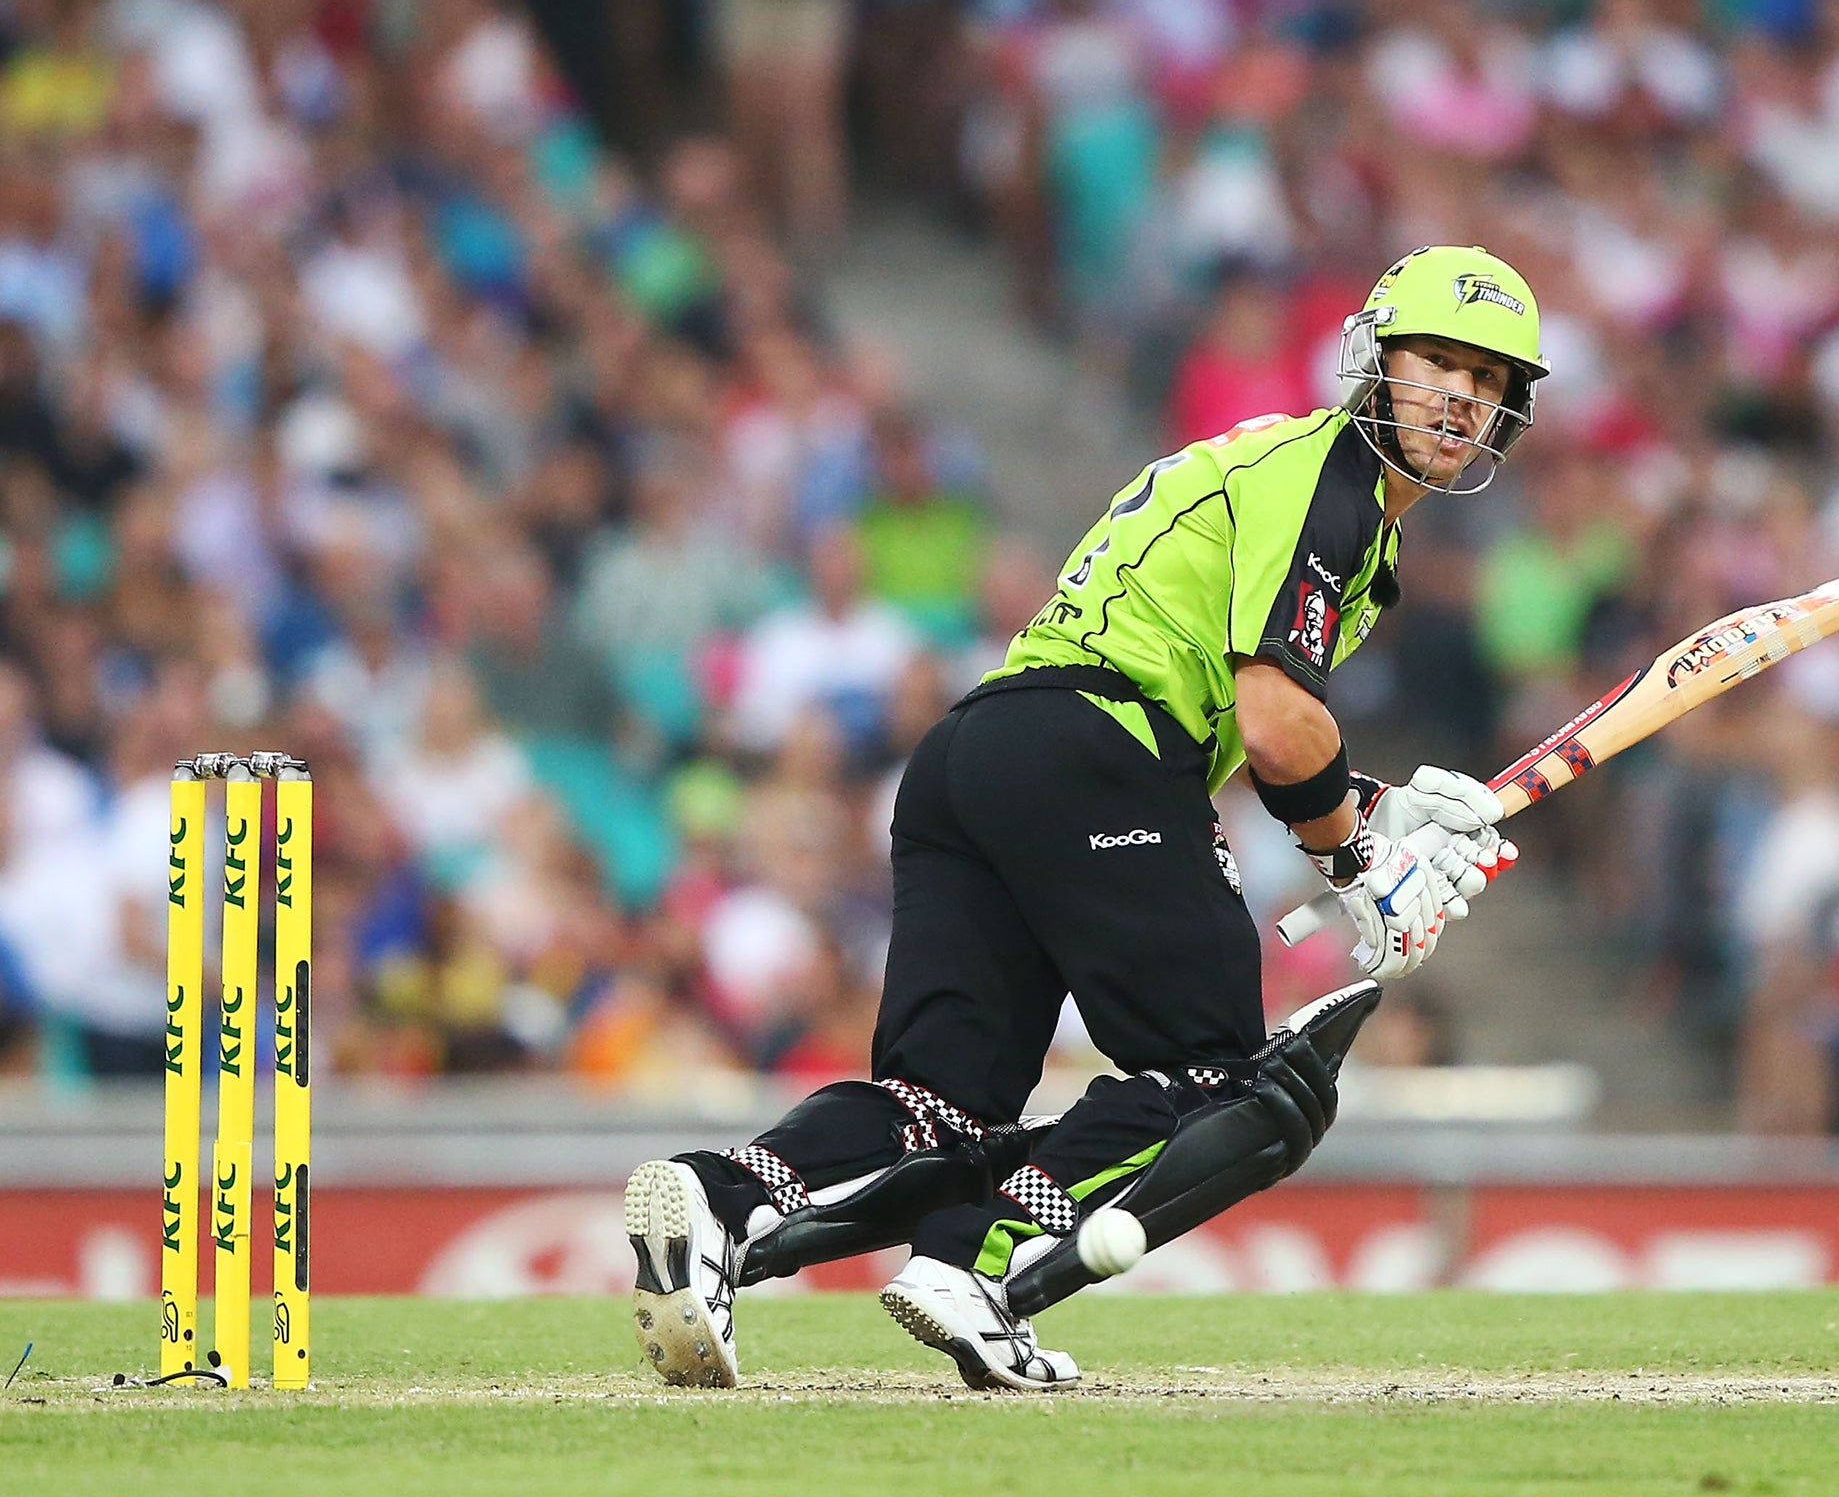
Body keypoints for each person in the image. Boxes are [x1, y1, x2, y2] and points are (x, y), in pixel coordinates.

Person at [625, 245, 1550, 1390]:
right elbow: (1269, 720)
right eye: (1437, 362)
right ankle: (973, 1267)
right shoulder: (1333, 485)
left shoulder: (1296, 480)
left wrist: (1373, 807)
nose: (1460, 396)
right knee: (1219, 1073)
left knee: (944, 1103)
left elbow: (1243, 722)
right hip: (1096, 749)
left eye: (1488, 378)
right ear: (1375, 362)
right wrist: (1354, 862)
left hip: (988, 752)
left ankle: (716, 1202)